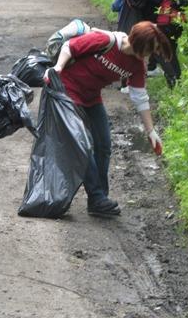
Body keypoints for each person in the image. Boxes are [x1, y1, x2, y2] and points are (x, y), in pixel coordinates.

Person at [46, 21, 172, 217]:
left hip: (91, 96)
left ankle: (99, 200)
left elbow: (140, 97)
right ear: (139, 42)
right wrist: (59, 67)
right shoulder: (106, 41)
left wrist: (151, 131)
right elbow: (69, 47)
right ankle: (97, 197)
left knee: (104, 145)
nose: (149, 54)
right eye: (149, 49)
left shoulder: (137, 66)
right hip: (68, 91)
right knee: (83, 144)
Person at [112, 0, 163, 92]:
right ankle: (126, 85)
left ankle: (125, 84)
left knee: (124, 49)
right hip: (133, 20)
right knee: (131, 51)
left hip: (124, 17)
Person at [150, 0, 185, 86]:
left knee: (159, 51)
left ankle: (172, 79)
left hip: (165, 21)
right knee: (172, 52)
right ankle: (178, 79)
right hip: (177, 20)